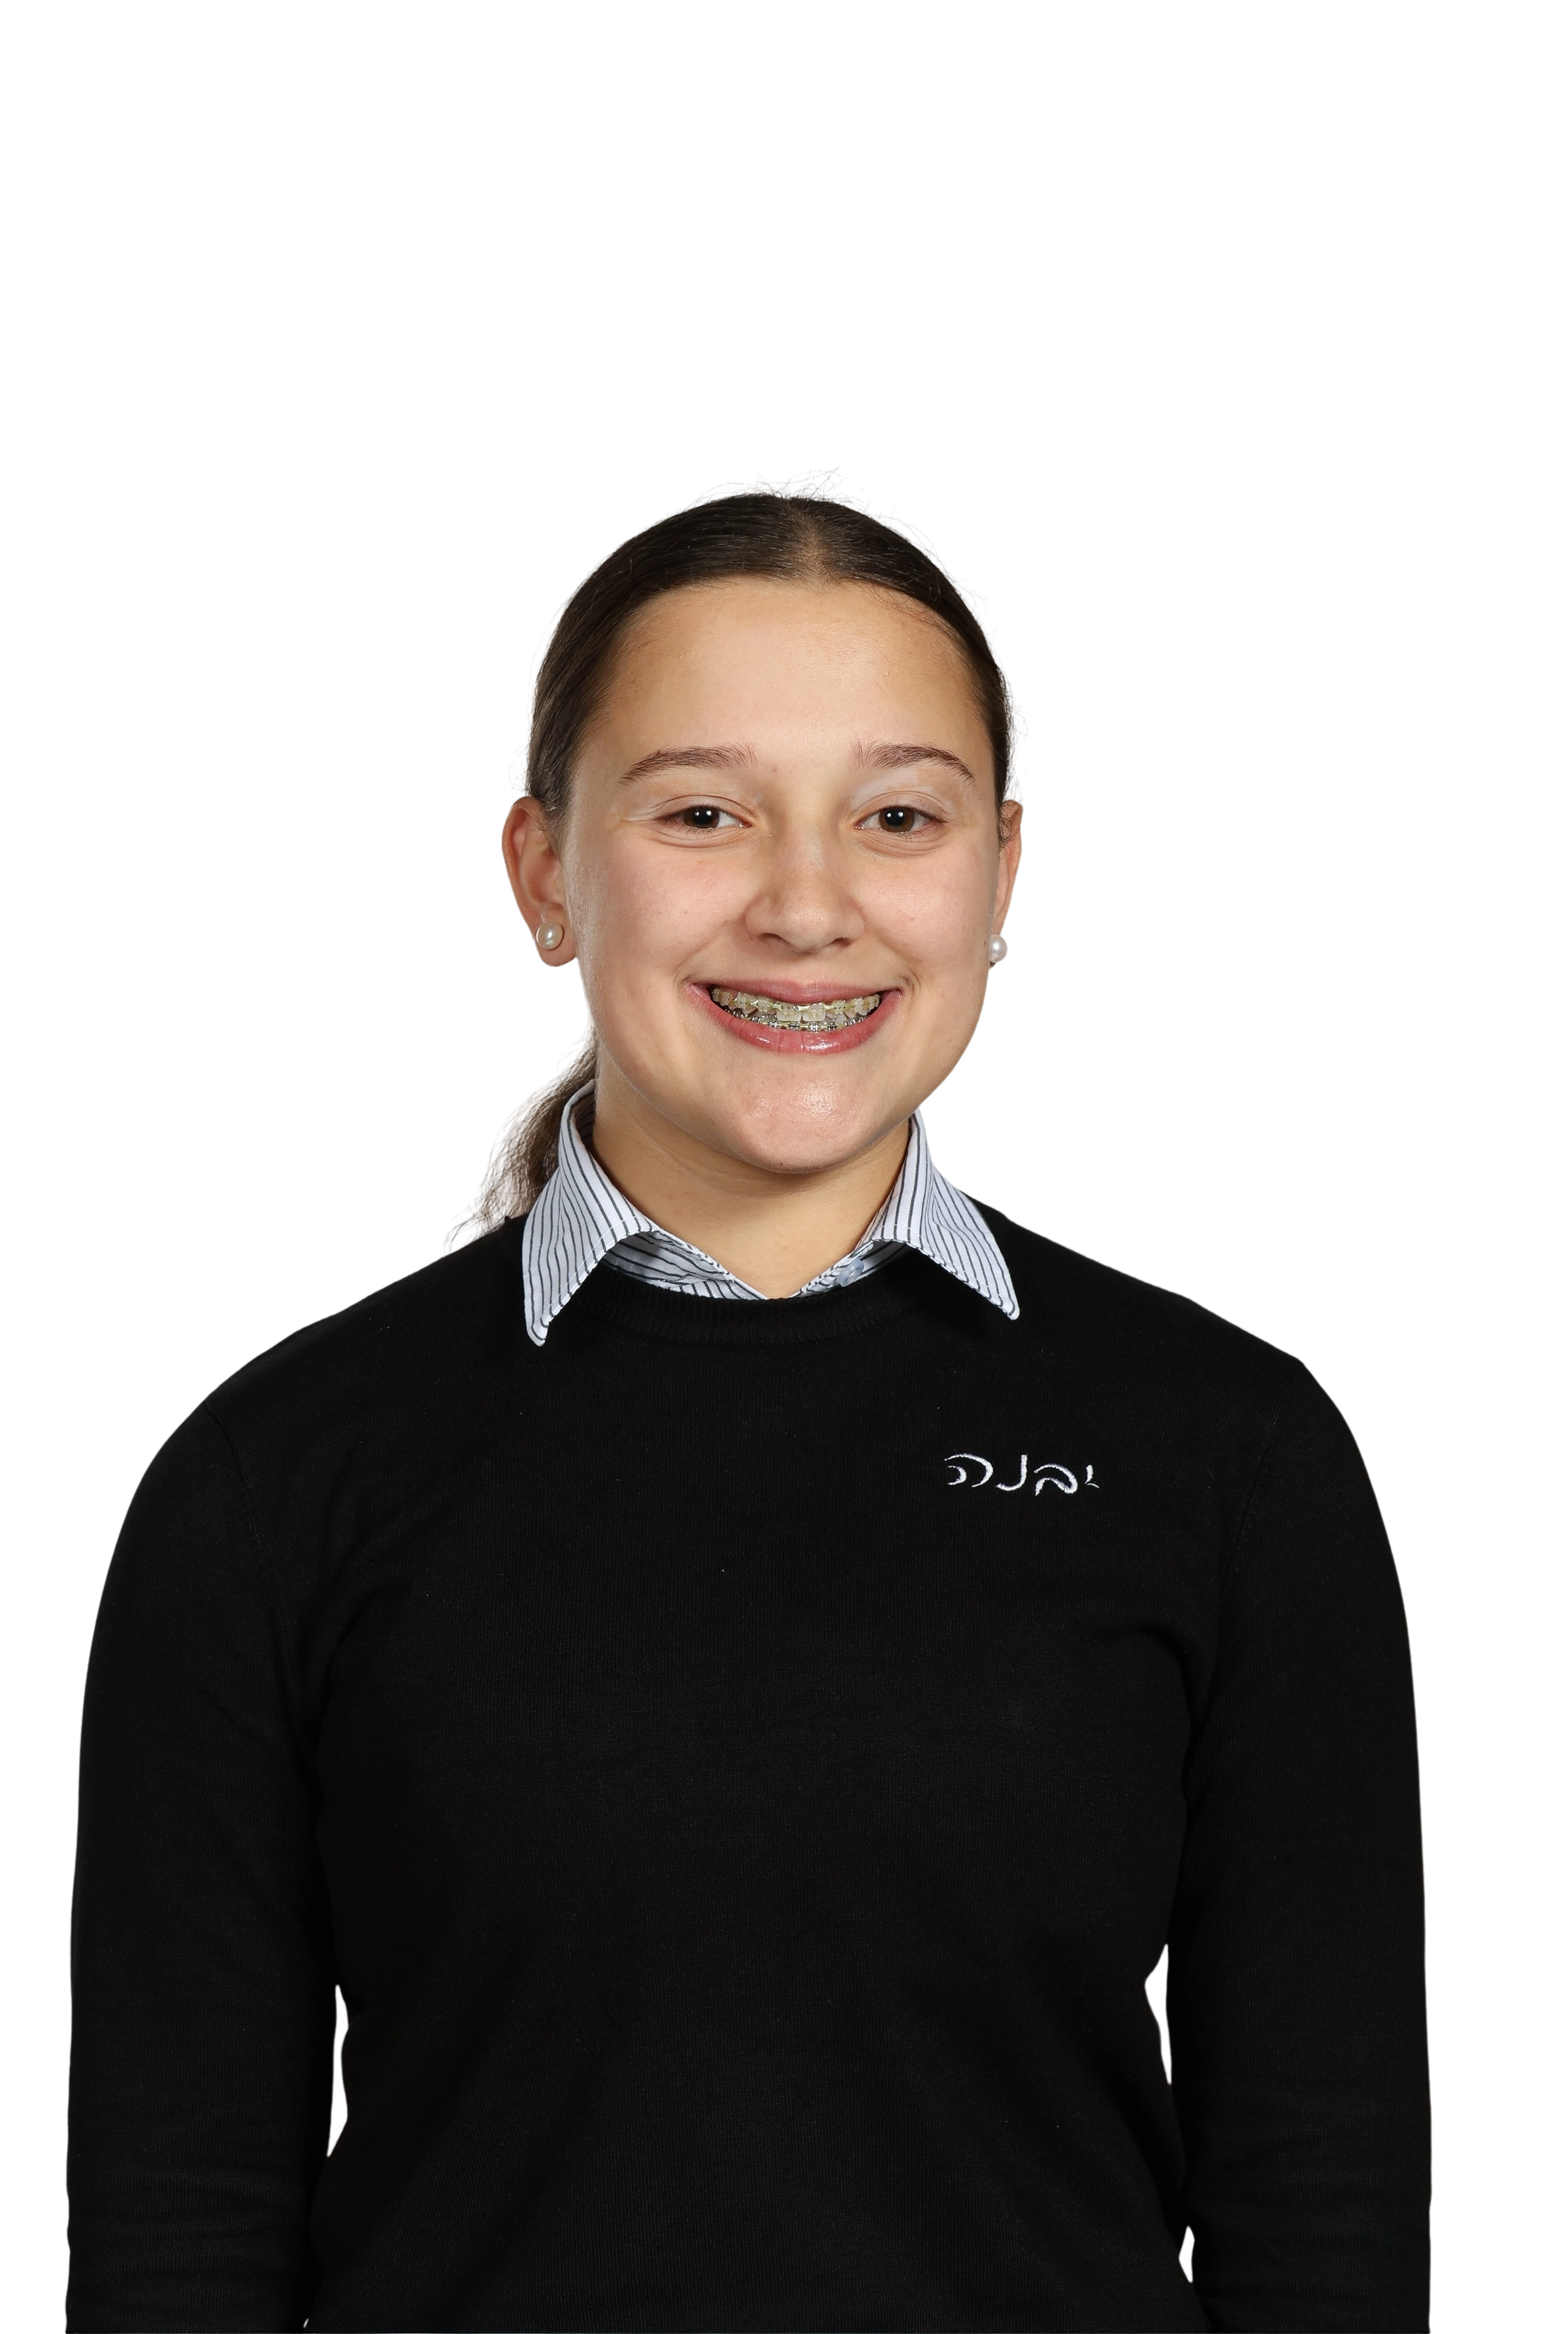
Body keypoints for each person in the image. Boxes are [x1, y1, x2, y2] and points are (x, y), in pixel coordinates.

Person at [65, 467, 1433, 2333]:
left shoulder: (1232, 1452)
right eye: (703, 811)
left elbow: (1324, 2201)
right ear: (542, 872)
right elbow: (179, 2228)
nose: (806, 906)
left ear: (1003, 875)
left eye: (897, 816)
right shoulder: (272, 1477)